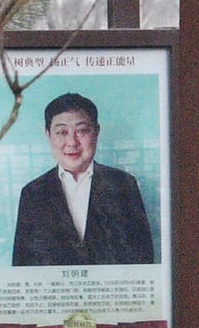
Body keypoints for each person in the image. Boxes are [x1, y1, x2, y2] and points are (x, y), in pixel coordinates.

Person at [11, 92, 156, 266]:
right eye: (61, 132)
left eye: (82, 131)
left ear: (96, 132)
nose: (72, 142)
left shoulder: (123, 185)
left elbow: (144, 256)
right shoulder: (32, 193)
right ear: (48, 134)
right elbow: (21, 264)